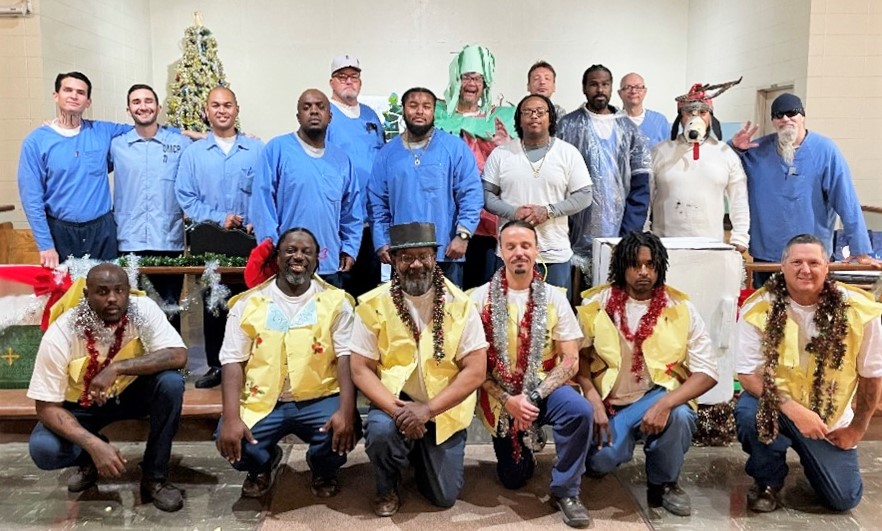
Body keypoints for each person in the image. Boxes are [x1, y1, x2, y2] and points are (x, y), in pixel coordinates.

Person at [734, 234, 882, 513]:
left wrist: (857, 429)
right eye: (796, 262)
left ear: (827, 267)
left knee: (843, 499)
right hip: (778, 406)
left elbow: (872, 376)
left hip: (829, 420)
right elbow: (748, 375)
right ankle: (767, 480)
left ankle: (814, 464)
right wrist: (795, 410)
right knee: (749, 412)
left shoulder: (859, 310)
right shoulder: (759, 307)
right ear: (783, 266)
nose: (805, 270)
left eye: (814, 262)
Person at [350, 222, 488, 517]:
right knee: (381, 432)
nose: (415, 264)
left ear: (434, 258)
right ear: (393, 260)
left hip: (443, 407)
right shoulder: (374, 304)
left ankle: (416, 452)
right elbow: (360, 369)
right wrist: (400, 411)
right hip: (395, 403)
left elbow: (476, 370)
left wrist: (427, 410)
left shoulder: (461, 304)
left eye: (423, 256)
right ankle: (387, 484)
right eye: (406, 257)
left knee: (443, 496)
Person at [577, 231, 717, 516]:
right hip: (611, 403)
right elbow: (577, 359)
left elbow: (708, 371)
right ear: (622, 266)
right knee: (601, 461)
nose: (643, 271)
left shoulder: (680, 308)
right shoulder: (597, 303)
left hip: (659, 394)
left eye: (650, 265)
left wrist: (665, 404)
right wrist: (592, 399)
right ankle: (616, 446)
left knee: (680, 415)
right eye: (636, 264)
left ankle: (664, 484)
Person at [27, 263, 188, 512]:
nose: (113, 298)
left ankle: (155, 476)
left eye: (119, 290)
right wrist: (93, 444)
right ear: (86, 295)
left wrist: (117, 368)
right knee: (44, 449)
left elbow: (178, 355)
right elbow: (46, 407)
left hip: (132, 394)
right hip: (82, 405)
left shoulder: (143, 309)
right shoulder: (62, 331)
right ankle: (88, 459)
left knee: (171, 383)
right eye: (102, 292)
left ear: (128, 291)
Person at [215, 227, 360, 499]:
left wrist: (346, 410)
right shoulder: (249, 303)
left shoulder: (336, 303)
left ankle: (323, 468)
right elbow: (232, 361)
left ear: (317, 259)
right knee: (232, 439)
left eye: (307, 251)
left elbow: (345, 357)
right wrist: (231, 418)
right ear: (277, 257)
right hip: (263, 399)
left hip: (319, 396)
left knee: (342, 429)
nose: (299, 256)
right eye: (290, 250)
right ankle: (261, 465)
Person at [472, 221, 593, 529]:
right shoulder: (478, 299)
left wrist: (534, 396)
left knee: (580, 411)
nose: (519, 253)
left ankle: (567, 491)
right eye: (511, 246)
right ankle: (523, 447)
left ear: (537, 251)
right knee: (514, 478)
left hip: (544, 388)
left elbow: (571, 360)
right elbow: (472, 366)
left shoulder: (554, 297)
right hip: (502, 395)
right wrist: (509, 400)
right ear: (500, 252)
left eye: (526, 246)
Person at [730, 93, 882, 285]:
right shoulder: (756, 150)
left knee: (812, 303)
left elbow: (847, 200)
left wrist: (860, 249)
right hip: (768, 256)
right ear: (773, 121)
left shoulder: (825, 150)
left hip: (812, 257)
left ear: (802, 116)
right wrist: (733, 148)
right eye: (779, 115)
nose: (785, 119)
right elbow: (721, 169)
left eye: (791, 113)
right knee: (767, 303)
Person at [175, 86, 264, 389]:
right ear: (206, 111)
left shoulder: (256, 150)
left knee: (250, 305)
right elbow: (185, 196)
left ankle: (252, 366)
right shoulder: (194, 154)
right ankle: (217, 366)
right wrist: (217, 217)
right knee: (214, 307)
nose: (222, 110)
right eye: (216, 105)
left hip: (249, 242)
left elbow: (268, 190)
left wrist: (256, 218)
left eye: (227, 105)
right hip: (211, 242)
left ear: (237, 109)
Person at [369, 87, 483, 288]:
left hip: (446, 253)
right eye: (413, 106)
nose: (420, 111)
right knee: (404, 308)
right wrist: (382, 241)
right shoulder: (387, 154)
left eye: (426, 106)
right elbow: (378, 202)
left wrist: (463, 235)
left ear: (433, 112)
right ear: (403, 110)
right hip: (403, 255)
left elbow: (471, 194)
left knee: (449, 307)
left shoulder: (454, 148)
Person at [482, 94, 592, 298]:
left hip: (554, 252)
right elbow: (485, 194)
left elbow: (585, 195)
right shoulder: (501, 154)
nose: (534, 116)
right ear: (519, 119)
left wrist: (549, 211)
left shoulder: (568, 153)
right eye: (528, 112)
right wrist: (512, 212)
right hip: (511, 252)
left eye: (540, 112)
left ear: (550, 118)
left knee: (554, 313)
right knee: (509, 312)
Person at [251, 88, 363, 289]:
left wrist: (349, 248)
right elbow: (262, 202)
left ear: (330, 116)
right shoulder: (277, 150)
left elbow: (351, 211)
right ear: (298, 116)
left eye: (320, 107)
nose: (314, 111)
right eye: (306, 107)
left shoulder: (342, 160)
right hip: (287, 263)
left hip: (329, 264)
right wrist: (272, 247)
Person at [18, 72, 132, 268]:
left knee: (106, 286)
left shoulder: (103, 131)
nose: (73, 96)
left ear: (88, 102)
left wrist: (184, 133)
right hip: (60, 231)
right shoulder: (36, 141)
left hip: (102, 231)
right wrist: (45, 245)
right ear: (56, 96)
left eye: (80, 92)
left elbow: (144, 129)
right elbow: (32, 199)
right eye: (68, 90)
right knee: (65, 287)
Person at [557, 65, 652, 278]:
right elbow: (558, 182)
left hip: (620, 233)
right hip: (573, 235)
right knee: (577, 291)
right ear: (584, 88)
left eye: (605, 84)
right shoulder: (567, 126)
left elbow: (641, 184)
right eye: (593, 84)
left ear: (611, 88)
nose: (600, 90)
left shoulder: (629, 129)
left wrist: (628, 234)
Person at [434, 44, 516, 289]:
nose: (471, 83)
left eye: (477, 78)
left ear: (485, 83)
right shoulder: (439, 117)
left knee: (481, 288)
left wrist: (507, 146)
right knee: (446, 291)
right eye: (466, 77)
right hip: (445, 217)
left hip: (485, 220)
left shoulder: (499, 120)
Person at [110, 83, 191, 331]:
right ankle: (134, 357)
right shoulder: (117, 145)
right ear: (128, 109)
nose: (142, 106)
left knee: (169, 311)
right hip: (129, 240)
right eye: (136, 102)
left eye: (148, 101)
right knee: (130, 312)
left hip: (168, 240)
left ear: (158, 106)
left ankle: (171, 356)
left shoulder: (180, 144)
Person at [649, 81, 749, 251]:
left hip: (711, 246)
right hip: (665, 247)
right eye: (689, 112)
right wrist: (644, 234)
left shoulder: (725, 154)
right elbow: (646, 196)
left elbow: (739, 198)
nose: (695, 118)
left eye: (702, 112)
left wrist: (740, 237)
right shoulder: (659, 152)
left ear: (710, 117)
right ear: (680, 116)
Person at [325, 54, 386, 298]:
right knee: (338, 296)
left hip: (370, 224)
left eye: (354, 76)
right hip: (339, 223)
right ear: (331, 82)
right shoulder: (325, 114)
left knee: (368, 297)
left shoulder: (370, 116)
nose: (349, 81)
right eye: (342, 76)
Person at [617, 72, 670, 149]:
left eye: (638, 87)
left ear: (645, 91)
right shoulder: (612, 122)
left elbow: (669, 151)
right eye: (628, 87)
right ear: (620, 93)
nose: (633, 91)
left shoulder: (659, 121)